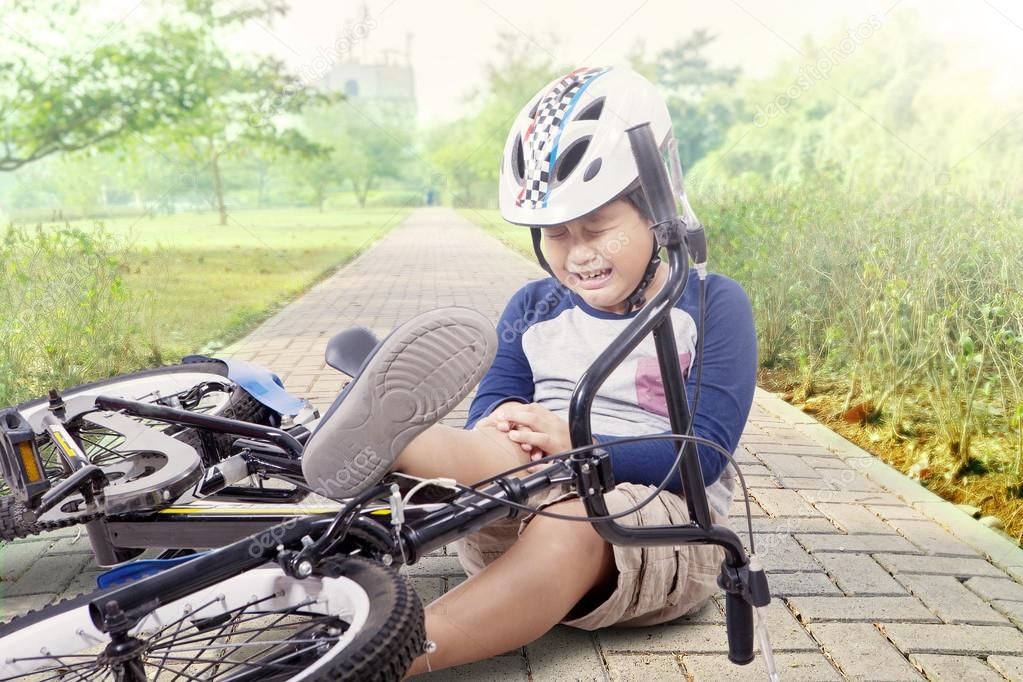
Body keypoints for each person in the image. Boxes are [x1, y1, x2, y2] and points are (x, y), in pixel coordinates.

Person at [301, 65, 757, 676]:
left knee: (580, 519)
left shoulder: (711, 303)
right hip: (515, 502)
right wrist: (509, 423)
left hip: (657, 521)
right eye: (557, 235)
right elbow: (493, 402)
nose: (579, 252)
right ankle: (391, 439)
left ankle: (379, 654)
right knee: (493, 442)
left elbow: (703, 454)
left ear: (658, 211)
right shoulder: (533, 306)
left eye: (598, 228)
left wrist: (578, 444)